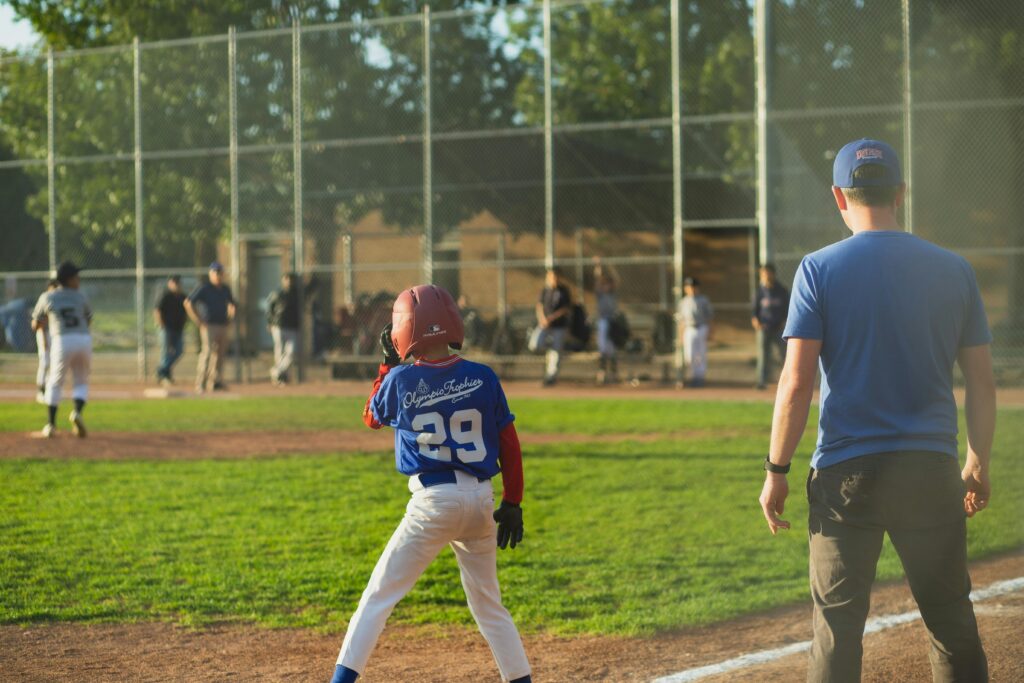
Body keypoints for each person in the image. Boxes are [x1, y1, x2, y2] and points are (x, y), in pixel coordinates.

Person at [758, 139, 993, 682]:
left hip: (846, 478)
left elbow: (796, 384)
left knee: (837, 632)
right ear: (901, 193)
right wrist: (978, 461)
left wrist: (776, 471)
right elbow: (981, 382)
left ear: (840, 196)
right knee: (951, 623)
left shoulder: (817, 269)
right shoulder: (953, 269)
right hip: (929, 471)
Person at [329, 284, 531, 683]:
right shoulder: (483, 375)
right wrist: (513, 501)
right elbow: (509, 443)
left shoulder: (401, 379)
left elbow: (371, 417)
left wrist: (386, 365)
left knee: (378, 597)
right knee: (490, 608)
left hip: (433, 504)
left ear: (403, 331)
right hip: (480, 501)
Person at [31, 262, 92, 438]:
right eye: (76, 276)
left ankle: (51, 425)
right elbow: (88, 319)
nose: (78, 279)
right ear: (69, 279)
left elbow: (36, 323)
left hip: (62, 340)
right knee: (81, 380)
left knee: (55, 381)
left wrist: (39, 323)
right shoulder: (81, 296)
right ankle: (77, 412)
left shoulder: (48, 297)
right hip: (83, 338)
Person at [184, 262, 236, 393]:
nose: (218, 275)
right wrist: (198, 320)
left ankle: (215, 382)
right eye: (215, 272)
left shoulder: (225, 289)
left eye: (220, 272)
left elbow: (231, 304)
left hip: (222, 325)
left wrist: (230, 317)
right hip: (209, 325)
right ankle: (200, 383)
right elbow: (188, 303)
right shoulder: (205, 288)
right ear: (210, 274)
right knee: (207, 353)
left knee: (220, 355)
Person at [528, 268, 571, 386]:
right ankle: (549, 349)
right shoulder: (545, 290)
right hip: (544, 324)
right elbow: (539, 305)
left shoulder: (563, 291)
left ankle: (551, 377)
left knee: (556, 352)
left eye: (556, 277)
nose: (553, 279)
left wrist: (551, 319)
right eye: (551, 277)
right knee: (534, 344)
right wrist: (542, 319)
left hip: (558, 326)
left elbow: (565, 308)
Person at [751, 264, 790, 390]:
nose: (765, 276)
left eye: (767, 273)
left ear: (773, 274)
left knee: (783, 355)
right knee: (763, 355)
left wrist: (785, 322)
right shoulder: (760, 291)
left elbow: (788, 308)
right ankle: (761, 381)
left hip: (779, 328)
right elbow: (754, 310)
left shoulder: (781, 290)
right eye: (763, 274)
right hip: (764, 328)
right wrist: (755, 320)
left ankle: (787, 382)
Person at [676, 276, 713, 387]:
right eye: (689, 287)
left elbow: (710, 317)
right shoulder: (683, 302)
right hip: (689, 328)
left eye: (693, 287)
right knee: (690, 355)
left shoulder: (703, 300)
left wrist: (711, 332)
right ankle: (693, 376)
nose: (691, 289)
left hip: (701, 327)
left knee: (701, 354)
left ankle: (699, 378)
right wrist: (680, 336)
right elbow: (681, 320)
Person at [266, 272, 300, 386]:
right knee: (279, 352)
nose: (288, 281)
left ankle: (276, 371)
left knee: (291, 352)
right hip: (279, 325)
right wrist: (270, 322)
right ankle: (280, 378)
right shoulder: (277, 293)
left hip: (293, 326)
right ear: (282, 280)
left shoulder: (297, 293)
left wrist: (312, 271)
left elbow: (312, 287)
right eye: (286, 279)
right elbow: (270, 308)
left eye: (290, 279)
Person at [154, 275, 188, 386]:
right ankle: (164, 375)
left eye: (178, 283)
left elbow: (187, 310)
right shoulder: (165, 295)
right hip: (166, 328)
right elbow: (157, 311)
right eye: (174, 283)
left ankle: (161, 370)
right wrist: (162, 326)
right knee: (166, 352)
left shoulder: (183, 297)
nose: (176, 285)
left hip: (178, 329)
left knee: (179, 351)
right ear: (170, 284)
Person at [594, 261, 619, 384]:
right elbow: (598, 281)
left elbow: (616, 280)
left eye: (608, 284)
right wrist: (599, 266)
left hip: (612, 322)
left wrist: (610, 265)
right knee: (602, 349)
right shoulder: (600, 294)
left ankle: (614, 374)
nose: (606, 286)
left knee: (612, 349)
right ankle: (601, 373)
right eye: (605, 284)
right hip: (603, 321)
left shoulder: (613, 294)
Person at [34, 279, 59, 403]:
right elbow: (38, 323)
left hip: (54, 334)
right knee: (45, 361)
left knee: (53, 363)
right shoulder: (45, 299)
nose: (56, 290)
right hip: (44, 333)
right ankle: (41, 391)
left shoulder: (57, 300)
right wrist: (44, 339)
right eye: (53, 287)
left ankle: (48, 390)